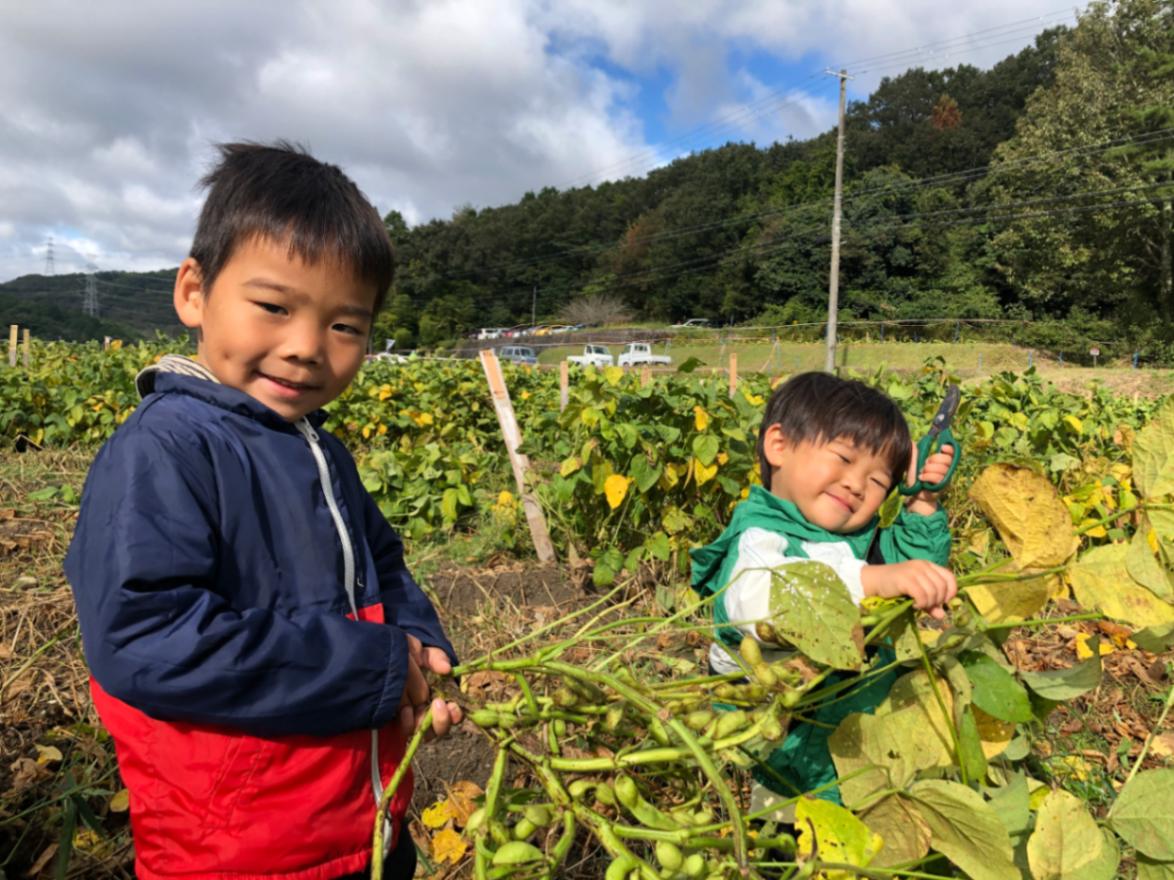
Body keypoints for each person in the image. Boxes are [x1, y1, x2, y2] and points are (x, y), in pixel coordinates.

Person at [65, 141, 461, 880]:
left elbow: (387, 568)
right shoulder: (166, 448)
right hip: (239, 852)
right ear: (193, 292)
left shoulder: (322, 451)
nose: (308, 347)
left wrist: (422, 654)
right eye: (274, 307)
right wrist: (373, 669)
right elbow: (144, 639)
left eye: (347, 326)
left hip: (365, 825)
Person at [690, 372, 956, 808]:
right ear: (779, 446)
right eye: (843, 458)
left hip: (858, 745)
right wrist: (874, 579)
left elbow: (914, 565)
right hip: (782, 762)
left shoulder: (858, 538)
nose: (856, 484)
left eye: (877, 482)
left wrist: (923, 503)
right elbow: (761, 597)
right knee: (788, 852)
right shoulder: (759, 537)